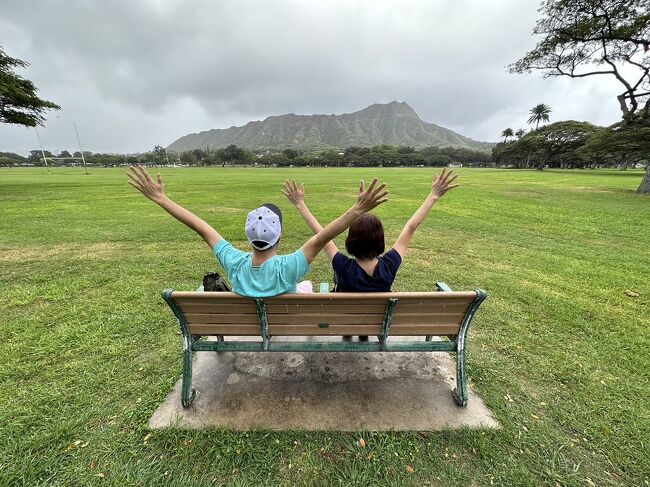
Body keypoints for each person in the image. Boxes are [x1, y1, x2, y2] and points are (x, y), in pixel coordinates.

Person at [127, 166, 388, 298]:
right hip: (285, 321)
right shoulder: (289, 267)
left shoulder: (233, 261)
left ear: (248, 235)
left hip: (253, 323)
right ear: (280, 236)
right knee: (305, 286)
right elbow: (323, 236)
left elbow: (200, 226)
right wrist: (357, 210)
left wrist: (162, 199)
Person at [282, 168, 459, 293]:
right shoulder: (390, 265)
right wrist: (433, 195)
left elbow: (322, 237)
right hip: (376, 326)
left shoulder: (343, 266)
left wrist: (300, 205)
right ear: (380, 240)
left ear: (350, 240)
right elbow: (411, 227)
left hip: (345, 325)